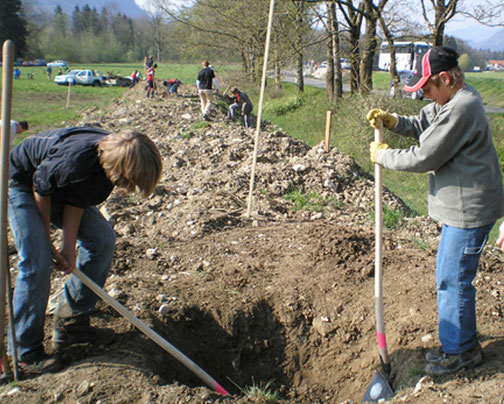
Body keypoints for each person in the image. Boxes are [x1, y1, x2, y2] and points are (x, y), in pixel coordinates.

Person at [366, 46, 504, 377]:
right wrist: (394, 122)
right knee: (452, 277)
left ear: (445, 78)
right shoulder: (451, 101)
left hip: (468, 210)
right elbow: (423, 122)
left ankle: (460, 354)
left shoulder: (463, 107)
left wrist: (384, 156)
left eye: (427, 88)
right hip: (462, 207)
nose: (426, 95)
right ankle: (462, 343)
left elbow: (425, 156)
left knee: (453, 280)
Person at [7, 127, 162, 375]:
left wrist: (68, 246)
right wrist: (46, 241)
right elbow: (41, 187)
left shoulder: (105, 170)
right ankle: (25, 352)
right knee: (37, 260)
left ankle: (71, 324)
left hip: (59, 186)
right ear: (122, 171)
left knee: (102, 240)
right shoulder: (75, 160)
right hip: (23, 182)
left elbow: (76, 198)